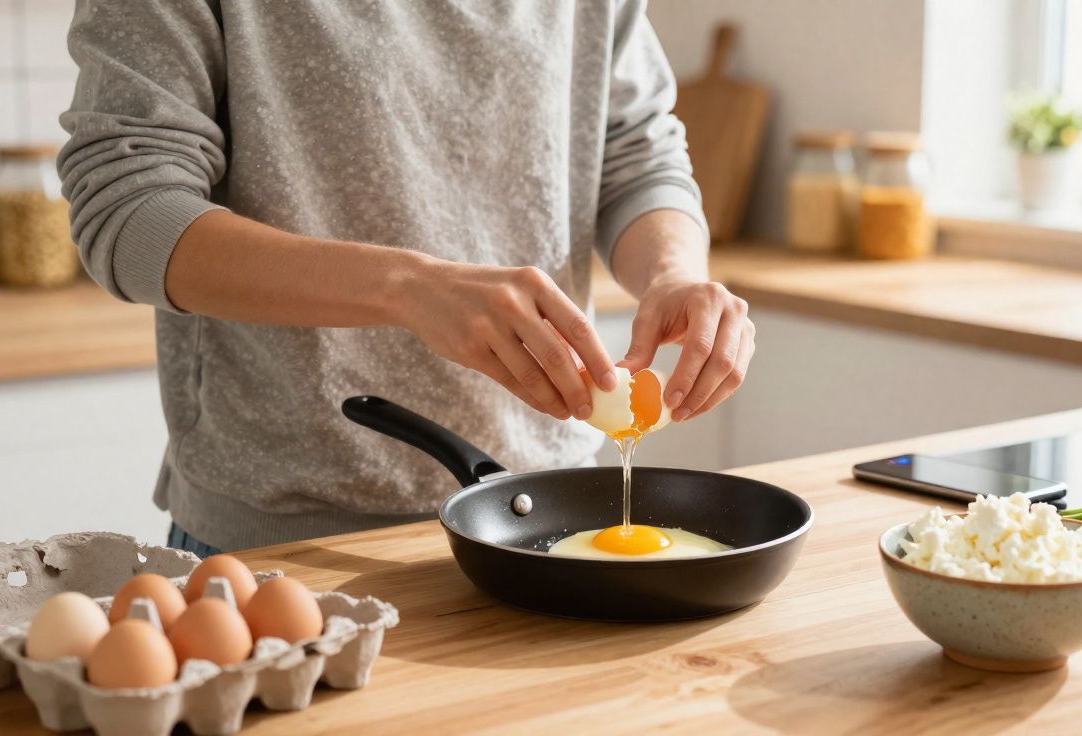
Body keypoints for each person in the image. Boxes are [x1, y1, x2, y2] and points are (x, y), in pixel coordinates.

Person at [60, 0, 755, 556]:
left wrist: (673, 272)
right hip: (282, 549)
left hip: (544, 516)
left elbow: (635, 151)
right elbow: (128, 210)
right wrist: (406, 287)